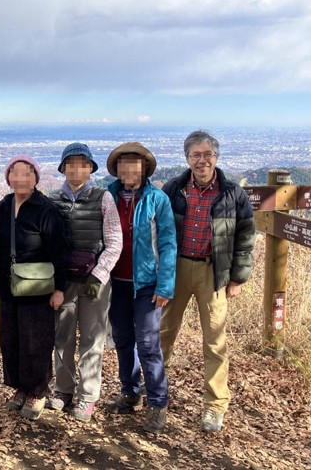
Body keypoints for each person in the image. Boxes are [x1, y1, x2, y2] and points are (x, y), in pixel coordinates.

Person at [160, 130, 255, 432]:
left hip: (213, 273)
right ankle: (154, 392)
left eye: (207, 154)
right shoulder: (173, 188)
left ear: (216, 156)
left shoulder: (231, 193)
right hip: (175, 268)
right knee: (163, 333)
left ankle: (215, 406)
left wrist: (237, 278)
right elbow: (159, 230)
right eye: (195, 155)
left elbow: (245, 236)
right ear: (187, 158)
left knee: (215, 341)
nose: (201, 160)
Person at [103, 142, 176, 433]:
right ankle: (130, 392)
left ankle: (158, 403)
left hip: (147, 283)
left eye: (135, 164)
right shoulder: (108, 196)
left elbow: (168, 242)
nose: (129, 170)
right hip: (116, 281)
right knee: (122, 338)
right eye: (123, 164)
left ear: (144, 168)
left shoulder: (157, 199)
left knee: (147, 343)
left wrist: (166, 284)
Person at [47, 143, 122, 422]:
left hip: (95, 281)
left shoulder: (103, 198)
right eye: (71, 163)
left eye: (82, 163)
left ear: (90, 168)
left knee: (93, 339)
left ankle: (88, 396)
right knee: (62, 336)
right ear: (63, 168)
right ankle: (63, 391)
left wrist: (98, 275)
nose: (76, 168)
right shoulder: (54, 200)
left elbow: (114, 242)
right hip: (64, 281)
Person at [0, 156, 67, 420]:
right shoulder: (3, 206)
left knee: (36, 340)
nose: (21, 178)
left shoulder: (46, 209)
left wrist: (60, 289)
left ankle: (37, 390)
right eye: (15, 173)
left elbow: (60, 252)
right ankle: (20, 388)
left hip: (39, 287)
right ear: (9, 178)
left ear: (36, 178)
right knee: (11, 340)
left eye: (27, 173)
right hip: (10, 285)